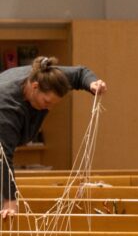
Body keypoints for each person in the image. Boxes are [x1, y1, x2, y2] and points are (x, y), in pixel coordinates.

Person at [0, 57, 107, 217]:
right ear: (34, 87)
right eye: (47, 101)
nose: (49, 108)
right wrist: (9, 200)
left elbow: (79, 73)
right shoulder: (7, 106)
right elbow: (3, 158)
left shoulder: (47, 75)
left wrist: (93, 83)